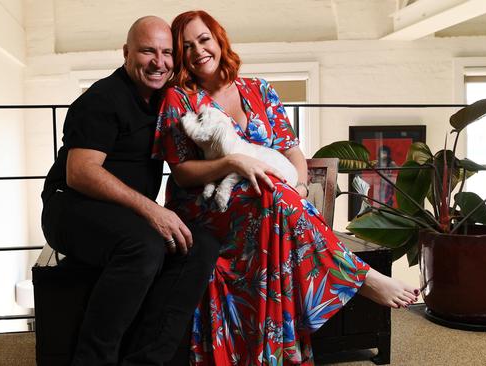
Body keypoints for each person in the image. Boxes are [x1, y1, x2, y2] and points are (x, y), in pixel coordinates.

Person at [152, 10, 419, 365]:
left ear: (219, 40)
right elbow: (183, 172)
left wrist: (299, 186)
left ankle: (341, 287)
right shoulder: (179, 100)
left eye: (204, 39)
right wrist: (233, 163)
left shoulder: (259, 90)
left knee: (276, 198)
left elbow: (293, 152)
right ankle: (362, 279)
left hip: (270, 202)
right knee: (272, 195)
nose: (198, 50)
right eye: (186, 47)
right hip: (210, 207)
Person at [41, 16, 220, 366]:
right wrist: (153, 210)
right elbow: (80, 173)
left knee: (201, 245)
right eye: (147, 51)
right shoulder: (101, 99)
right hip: (70, 208)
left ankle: (145, 360)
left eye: (167, 52)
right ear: (126, 53)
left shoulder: (165, 98)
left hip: (122, 215)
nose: (159, 62)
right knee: (144, 245)